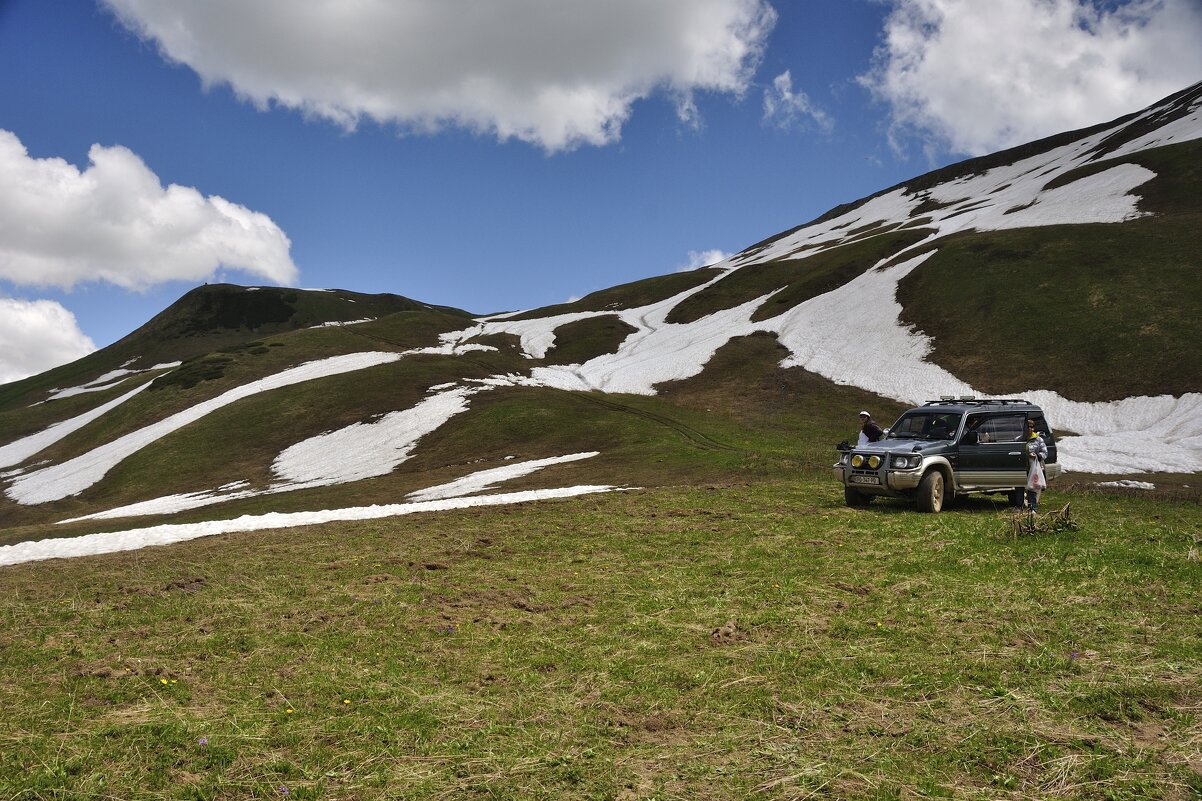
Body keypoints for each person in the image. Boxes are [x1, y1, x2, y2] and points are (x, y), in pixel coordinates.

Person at [1024, 418, 1048, 512]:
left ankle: (1033, 508)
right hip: (1023, 467)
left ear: (1033, 428)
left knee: (1033, 487)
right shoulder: (1020, 439)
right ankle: (1020, 506)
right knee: (1020, 487)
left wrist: (1037, 456)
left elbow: (1045, 453)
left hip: (1034, 468)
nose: (1029, 429)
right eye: (1027, 427)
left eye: (1031, 427)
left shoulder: (1038, 439)